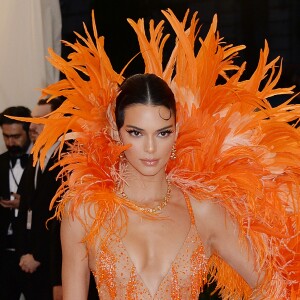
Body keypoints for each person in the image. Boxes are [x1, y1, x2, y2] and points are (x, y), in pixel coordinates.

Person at [29, 9, 300, 300]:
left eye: (162, 132)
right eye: (136, 132)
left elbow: (271, 284)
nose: (150, 148)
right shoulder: (84, 212)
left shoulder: (203, 210)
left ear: (176, 130)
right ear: (115, 129)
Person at [16, 98, 65, 300]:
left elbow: (59, 219)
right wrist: (24, 253)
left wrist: (38, 256)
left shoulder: (69, 160)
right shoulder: (36, 156)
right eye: (32, 119)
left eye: (39, 120)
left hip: (54, 267)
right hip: (28, 264)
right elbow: (26, 208)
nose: (32, 126)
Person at [0, 106, 32, 300]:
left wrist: (27, 204)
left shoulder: (41, 162)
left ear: (29, 130)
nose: (10, 143)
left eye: (16, 136)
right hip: (4, 256)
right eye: (6, 137)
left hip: (32, 255)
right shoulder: (1, 162)